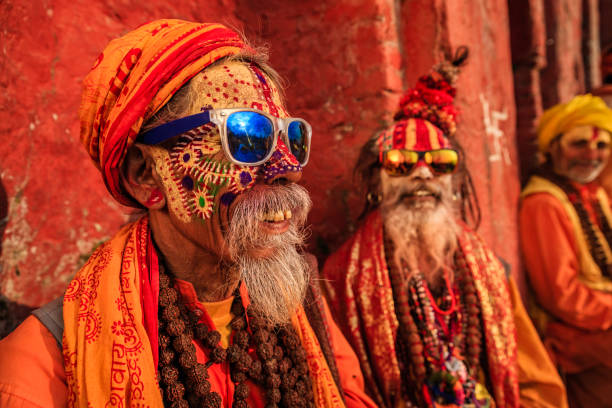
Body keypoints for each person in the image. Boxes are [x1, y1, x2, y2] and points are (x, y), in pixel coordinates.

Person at [0, 19, 377, 408]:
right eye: (246, 137)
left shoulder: (303, 308)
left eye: (291, 139)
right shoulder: (39, 369)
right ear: (145, 175)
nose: (287, 167)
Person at [321, 50, 567, 408]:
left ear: (455, 182)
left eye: (440, 164)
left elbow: (536, 383)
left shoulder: (489, 270)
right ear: (376, 182)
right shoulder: (341, 278)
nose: (423, 174)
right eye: (400, 164)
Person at [519, 94, 612, 407]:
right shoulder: (543, 204)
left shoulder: (592, 194)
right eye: (579, 144)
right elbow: (562, 297)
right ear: (553, 147)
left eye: (601, 146)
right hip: (572, 336)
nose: (591, 155)